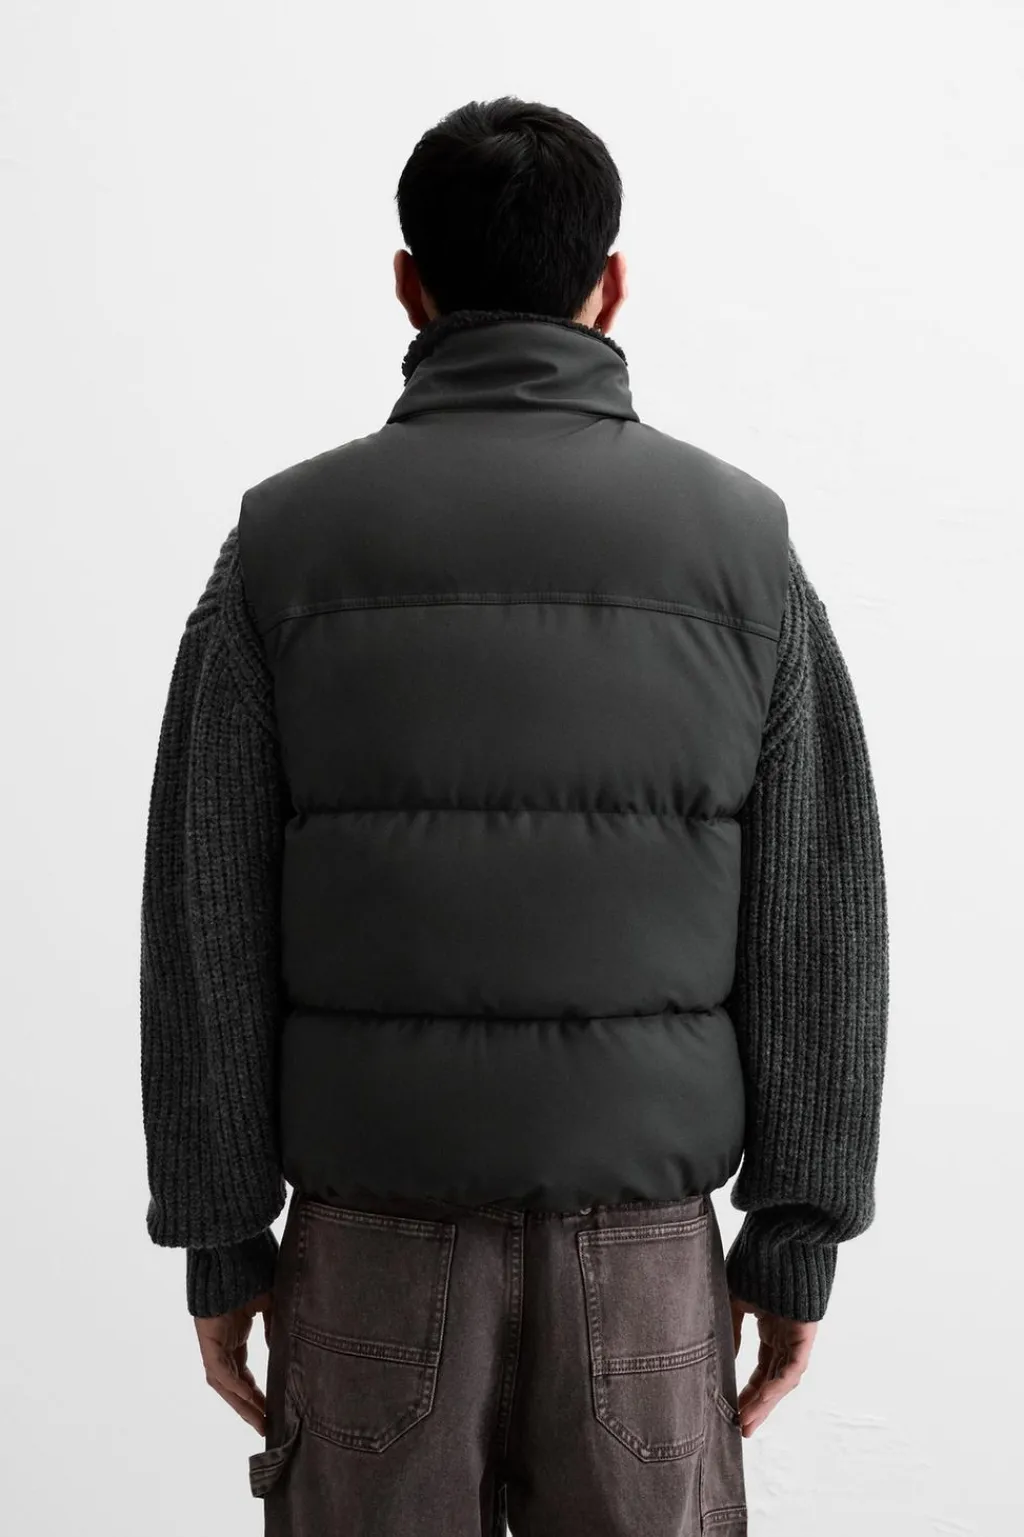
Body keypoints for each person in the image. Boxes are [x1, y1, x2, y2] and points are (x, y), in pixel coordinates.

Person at [139, 95, 888, 1537]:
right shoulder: (744, 548)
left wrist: (221, 1236)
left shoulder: (284, 544)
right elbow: (822, 914)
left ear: (409, 285)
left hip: (369, 1245)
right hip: (645, 1264)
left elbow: (201, 909)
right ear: (612, 284)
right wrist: (796, 1238)